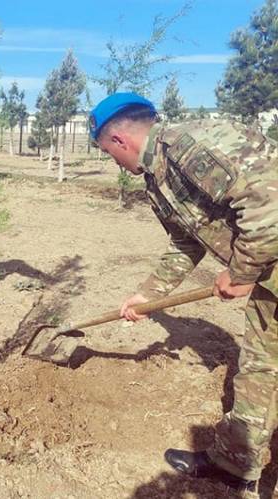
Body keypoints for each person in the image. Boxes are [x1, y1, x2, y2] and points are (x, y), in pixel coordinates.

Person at [90, 92, 278, 494]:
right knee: (261, 367)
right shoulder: (157, 180)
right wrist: (148, 296)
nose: (114, 163)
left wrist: (242, 271)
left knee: (263, 366)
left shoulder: (188, 148)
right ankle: (235, 462)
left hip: (266, 258)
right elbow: (185, 243)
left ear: (120, 140)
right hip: (272, 274)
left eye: (108, 153)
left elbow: (269, 204)